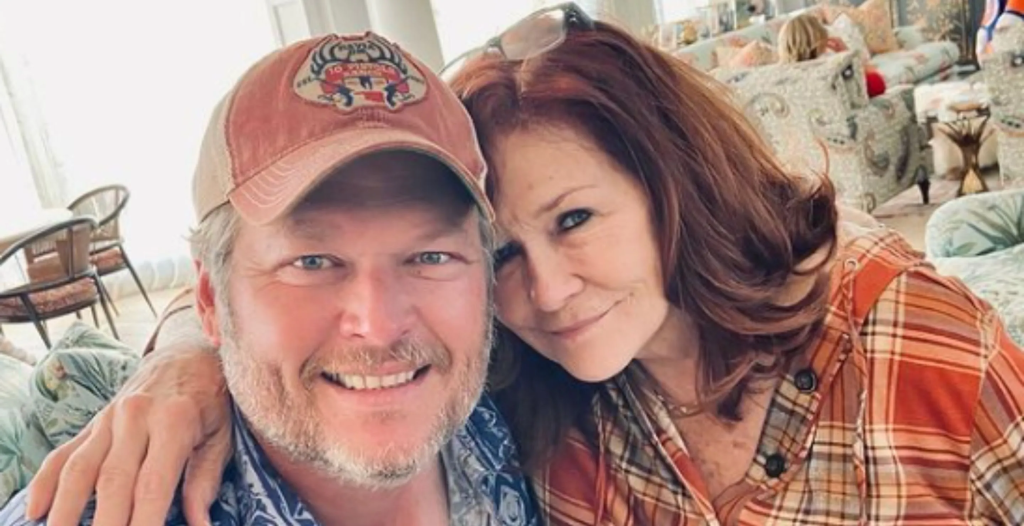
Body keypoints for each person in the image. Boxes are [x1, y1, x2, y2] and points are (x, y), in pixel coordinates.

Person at [18, 3, 1024, 525]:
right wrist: (189, 360)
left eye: (575, 218)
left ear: (672, 189)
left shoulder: (910, 340)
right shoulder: (528, 396)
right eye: (312, 259)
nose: (543, 289)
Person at [0, 31, 538, 526]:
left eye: (432, 256)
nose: (380, 326)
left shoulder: (531, 393)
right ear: (211, 299)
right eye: (312, 262)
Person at [777, 13, 887, 98]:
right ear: (821, 38)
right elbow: (879, 85)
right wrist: (848, 56)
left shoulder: (781, 81)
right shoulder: (836, 70)